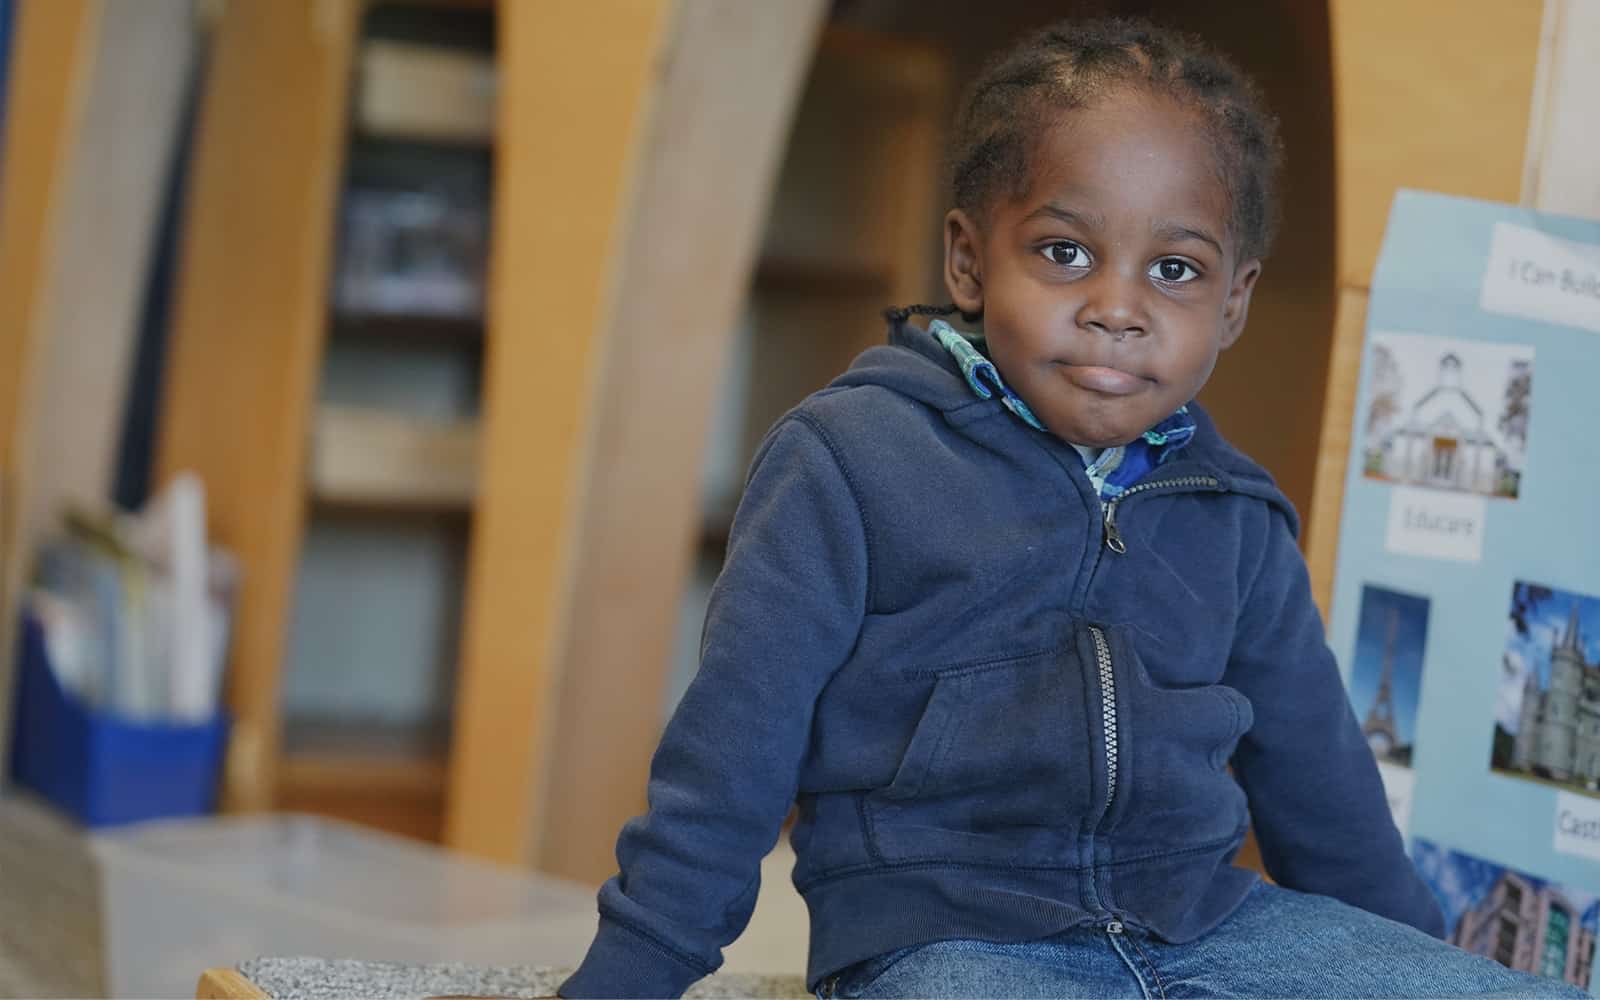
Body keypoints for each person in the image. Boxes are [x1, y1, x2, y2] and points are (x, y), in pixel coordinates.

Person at [559, 18, 1585, 1000]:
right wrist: (629, 978)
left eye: (1174, 270)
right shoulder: (846, 463)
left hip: (1207, 920)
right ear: (968, 259)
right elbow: (730, 755)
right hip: (946, 930)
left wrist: (1410, 967)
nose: (1116, 306)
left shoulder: (1233, 512)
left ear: (1231, 302)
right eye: (1063, 252)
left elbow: (1326, 794)